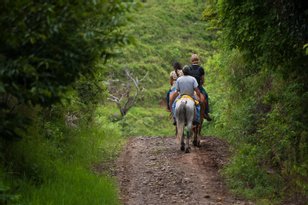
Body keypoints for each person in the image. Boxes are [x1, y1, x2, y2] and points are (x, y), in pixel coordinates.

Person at [187, 54, 212, 121]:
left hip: (190, 88)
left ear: (191, 61)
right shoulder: (201, 68)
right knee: (206, 95)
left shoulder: (189, 68)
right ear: (198, 60)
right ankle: (206, 113)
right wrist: (201, 84)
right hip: (198, 87)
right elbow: (202, 79)